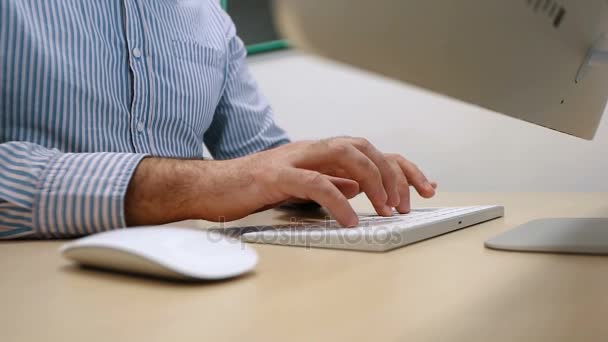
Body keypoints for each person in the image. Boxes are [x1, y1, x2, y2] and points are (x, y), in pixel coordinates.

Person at [0, 0, 436, 239]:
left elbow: (258, 157)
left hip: (192, 269)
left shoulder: (212, 18)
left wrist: (323, 170)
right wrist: (196, 186)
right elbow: (233, 176)